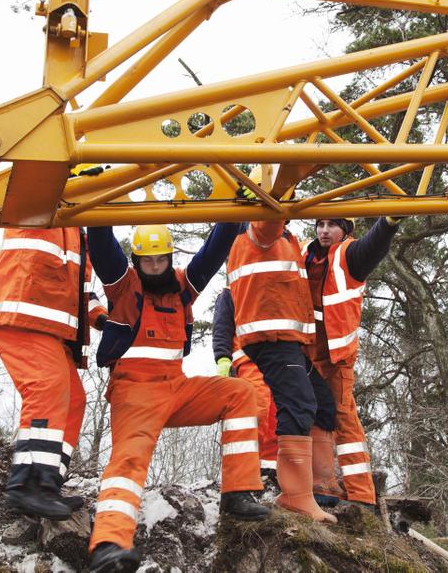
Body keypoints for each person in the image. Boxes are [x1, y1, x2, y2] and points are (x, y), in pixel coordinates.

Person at [86, 223, 269, 573]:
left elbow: (212, 254)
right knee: (128, 462)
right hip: (135, 391)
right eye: (147, 261)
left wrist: (232, 219)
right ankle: (109, 544)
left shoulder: (183, 286)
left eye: (160, 260)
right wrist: (98, 214)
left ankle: (238, 493)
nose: (154, 267)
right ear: (135, 260)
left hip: (177, 387)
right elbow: (102, 246)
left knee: (240, 393)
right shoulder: (122, 284)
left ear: (169, 258)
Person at [0, 226, 106, 520]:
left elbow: (79, 289)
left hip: (47, 327)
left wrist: (100, 319)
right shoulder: (39, 201)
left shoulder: (76, 232)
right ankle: (26, 483)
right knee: (47, 388)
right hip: (22, 315)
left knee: (74, 399)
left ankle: (48, 484)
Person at [227, 209, 338, 524]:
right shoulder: (261, 229)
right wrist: (286, 176)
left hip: (287, 339)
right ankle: (296, 495)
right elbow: (270, 213)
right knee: (299, 405)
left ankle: (316, 486)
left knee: (321, 404)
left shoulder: (285, 237)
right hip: (270, 337)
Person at [302, 216, 400, 510]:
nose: (323, 230)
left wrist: (389, 223)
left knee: (343, 419)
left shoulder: (349, 255)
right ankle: (321, 486)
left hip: (334, 357)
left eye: (332, 225)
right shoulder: (302, 252)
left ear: (345, 230)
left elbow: (375, 245)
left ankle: (361, 495)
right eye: (319, 224)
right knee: (306, 416)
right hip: (302, 351)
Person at [212, 288, 279, 480]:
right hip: (249, 361)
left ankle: (270, 468)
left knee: (276, 416)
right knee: (254, 411)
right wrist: (223, 358)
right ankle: (243, 469)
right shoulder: (231, 292)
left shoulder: (272, 284)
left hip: (277, 361)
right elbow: (222, 328)